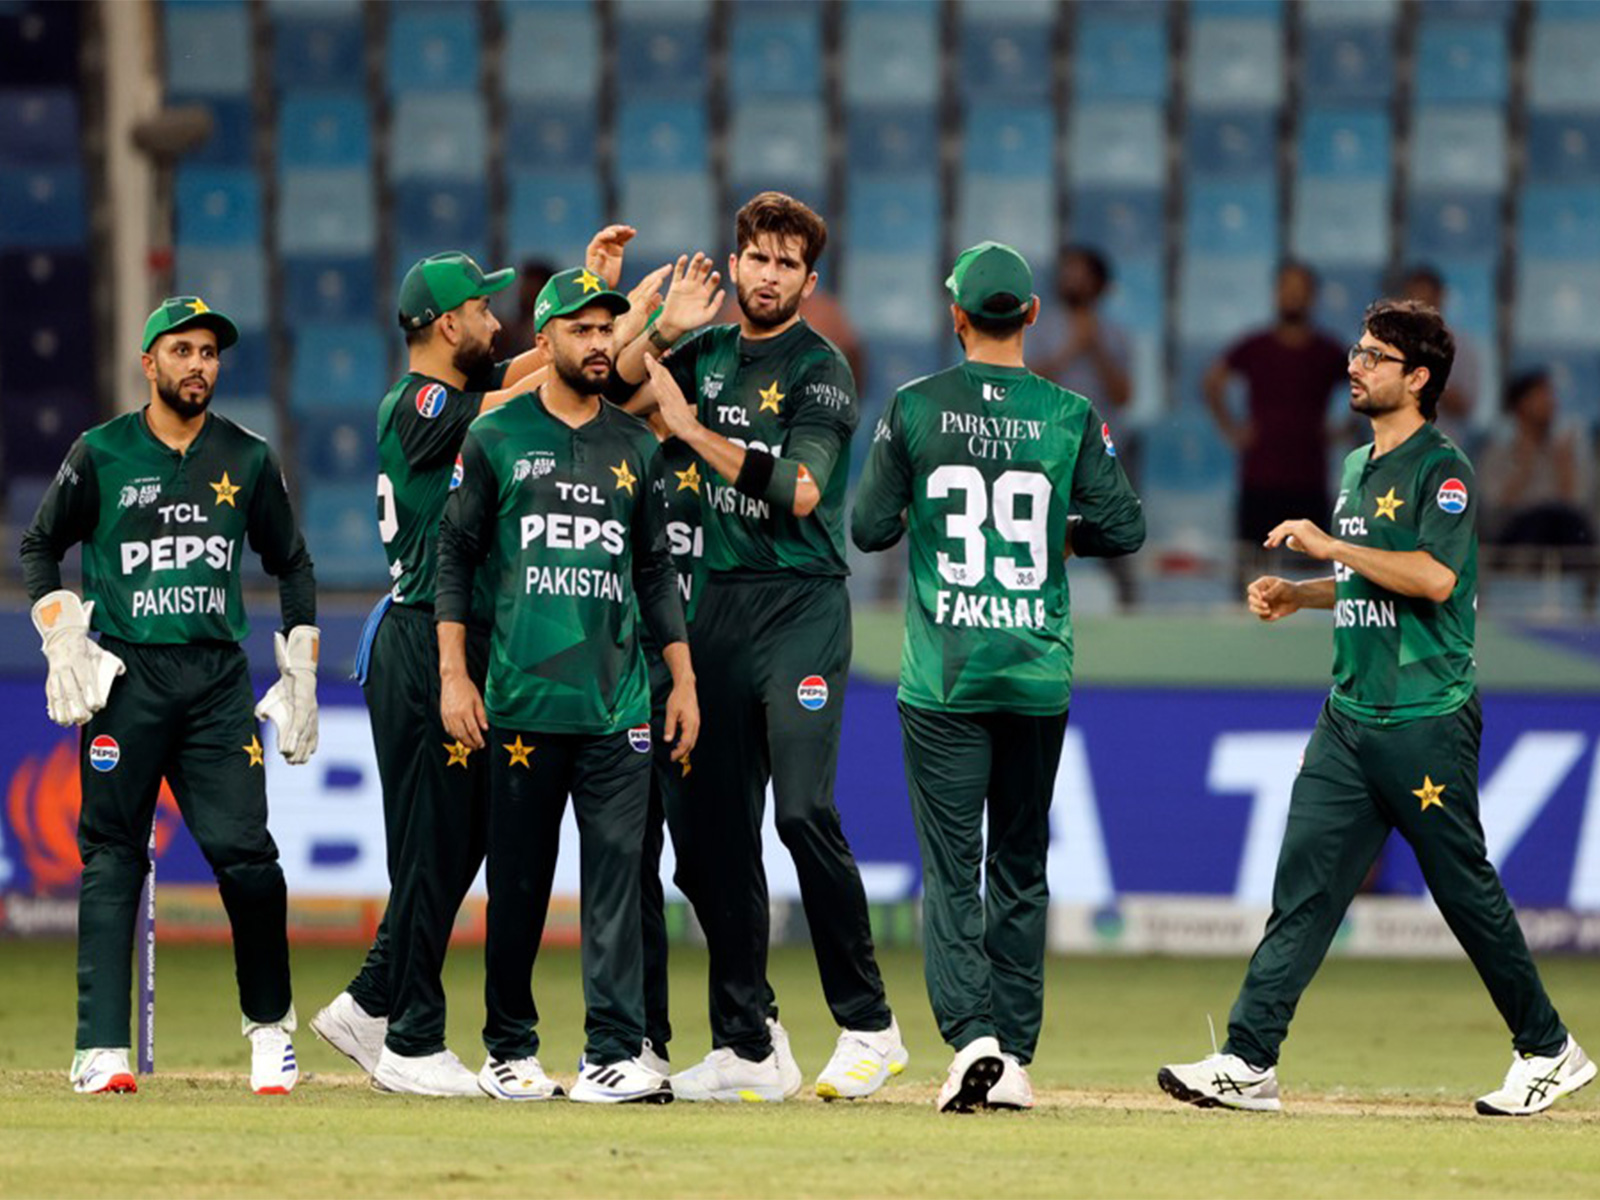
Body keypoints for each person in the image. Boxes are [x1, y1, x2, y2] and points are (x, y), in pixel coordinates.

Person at [1159, 300, 1595, 1117]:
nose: (1354, 366)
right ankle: (1249, 1060)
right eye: (1357, 351)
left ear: (1418, 377)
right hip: (1350, 714)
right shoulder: (1359, 465)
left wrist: (1330, 547)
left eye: (1373, 356)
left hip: (1424, 715)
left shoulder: (1444, 469)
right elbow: (1372, 576)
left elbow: (1433, 578)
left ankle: (1548, 1048)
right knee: (1305, 889)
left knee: (1463, 891)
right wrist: (1304, 593)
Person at [310, 232, 652, 1098]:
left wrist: (589, 301)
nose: (494, 320)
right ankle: (412, 1039)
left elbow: (540, 373)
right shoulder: (421, 402)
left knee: (455, 843)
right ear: (443, 324)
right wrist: (627, 326)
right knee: (434, 845)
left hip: (453, 637)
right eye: (480, 309)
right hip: (429, 638)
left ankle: (372, 1002)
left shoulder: (452, 394)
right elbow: (533, 391)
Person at [616, 191, 907, 1103]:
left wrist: (688, 428)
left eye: (788, 264)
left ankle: (870, 1027)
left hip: (800, 608)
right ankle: (748, 1044)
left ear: (808, 282)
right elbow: (609, 389)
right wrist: (659, 331)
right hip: (714, 611)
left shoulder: (822, 370)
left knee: (801, 812)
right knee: (707, 845)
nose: (770, 275)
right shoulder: (702, 352)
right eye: (758, 257)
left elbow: (803, 489)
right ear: (736, 263)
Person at [852, 242, 1145, 1113]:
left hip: (944, 678)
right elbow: (1125, 527)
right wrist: (1063, 532)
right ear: (1031, 316)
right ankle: (1013, 1057)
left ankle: (972, 1037)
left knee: (953, 870)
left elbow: (867, 528)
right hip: (1034, 671)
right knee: (1020, 867)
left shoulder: (914, 406)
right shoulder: (1068, 412)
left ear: (956, 315)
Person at [20, 296, 319, 1095]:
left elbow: (291, 562)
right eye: (182, 351)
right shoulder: (101, 452)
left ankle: (270, 1032)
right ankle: (100, 1049)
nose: (198, 365)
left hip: (217, 682)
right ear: (148, 362)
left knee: (247, 858)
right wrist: (61, 632)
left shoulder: (247, 457)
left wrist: (301, 667)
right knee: (113, 853)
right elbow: (40, 543)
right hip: (125, 679)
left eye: (209, 353)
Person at [437, 267, 699, 1104]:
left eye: (606, 329)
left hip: (618, 705)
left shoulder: (635, 445)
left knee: (620, 876)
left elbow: (655, 571)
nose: (597, 343)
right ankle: (507, 1049)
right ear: (544, 337)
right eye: (581, 329)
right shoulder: (495, 437)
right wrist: (454, 675)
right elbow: (454, 557)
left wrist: (682, 679)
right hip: (520, 701)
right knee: (518, 882)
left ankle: (611, 1053)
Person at [1204, 262, 1349, 580]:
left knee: (1311, 575)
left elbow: (1364, 386)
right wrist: (1231, 429)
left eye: (1300, 290)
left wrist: (1343, 429)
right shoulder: (1255, 346)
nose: (1293, 296)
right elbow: (1213, 382)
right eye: (1287, 289)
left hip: (1309, 477)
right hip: (1260, 476)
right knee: (1251, 574)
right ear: (1276, 293)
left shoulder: (1327, 350)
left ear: (1312, 296)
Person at [1031, 244, 1138, 608]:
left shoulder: (1115, 334)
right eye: (1068, 272)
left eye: (1081, 273)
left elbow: (1124, 395)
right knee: (1040, 534)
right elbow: (1027, 384)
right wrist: (1071, 349)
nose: (1072, 280)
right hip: (1049, 449)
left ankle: (1127, 608)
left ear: (1099, 283)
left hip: (1101, 452)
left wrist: (1096, 349)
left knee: (1111, 535)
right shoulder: (1040, 328)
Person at [1478, 370, 1594, 553]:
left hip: (1564, 526)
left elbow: (1578, 502)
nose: (1550, 403)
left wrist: (1564, 468)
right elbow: (1494, 506)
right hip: (1519, 529)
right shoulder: (1498, 452)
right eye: (1541, 396)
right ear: (1520, 405)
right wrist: (1523, 469)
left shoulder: (1565, 451)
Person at [1399, 264, 1481, 445]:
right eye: (1412, 304)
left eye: (1425, 302)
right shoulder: (1390, 345)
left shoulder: (1461, 347)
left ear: (1440, 298)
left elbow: (1466, 406)